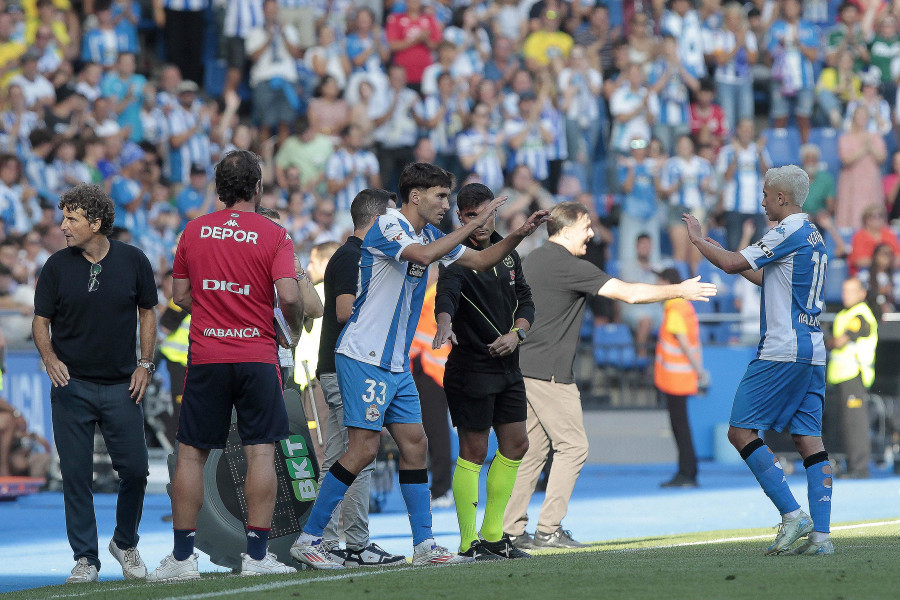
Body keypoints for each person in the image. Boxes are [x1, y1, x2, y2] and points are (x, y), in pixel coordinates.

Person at [289, 162, 549, 569]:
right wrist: (476, 221)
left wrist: (518, 234)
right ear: (415, 196)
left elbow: (480, 261)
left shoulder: (428, 232)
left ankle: (425, 544)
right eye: (441, 196)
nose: (447, 204)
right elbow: (426, 256)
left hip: (395, 363)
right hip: (364, 357)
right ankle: (310, 538)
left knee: (416, 445)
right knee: (362, 449)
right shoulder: (390, 226)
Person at [504, 202, 717, 550]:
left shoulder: (533, 260)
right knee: (573, 447)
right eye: (587, 226)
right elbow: (630, 293)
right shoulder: (567, 265)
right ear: (568, 228)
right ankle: (548, 530)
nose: (591, 232)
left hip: (524, 369)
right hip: (550, 374)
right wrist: (680, 290)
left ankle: (511, 530)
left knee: (534, 452)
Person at [147, 150, 306, 581]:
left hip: (208, 357)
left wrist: (218, 302)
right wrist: (290, 328)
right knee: (260, 452)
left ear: (218, 190)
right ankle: (256, 557)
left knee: (192, 456)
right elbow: (290, 297)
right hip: (256, 356)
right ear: (257, 188)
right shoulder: (275, 233)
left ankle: (182, 560)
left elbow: (179, 296)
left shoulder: (193, 231)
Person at [682, 164, 834, 556]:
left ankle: (792, 514)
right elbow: (768, 278)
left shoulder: (787, 230)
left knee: (740, 432)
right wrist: (724, 253)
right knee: (807, 439)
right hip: (813, 350)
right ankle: (821, 537)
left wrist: (699, 242)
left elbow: (734, 263)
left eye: (766, 194)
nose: (762, 199)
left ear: (783, 198)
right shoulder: (814, 235)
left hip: (782, 348)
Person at [32, 183, 158, 583]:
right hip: (73, 386)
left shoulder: (134, 260)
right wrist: (49, 358)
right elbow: (40, 321)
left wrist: (146, 364)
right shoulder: (55, 265)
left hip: (124, 385)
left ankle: (125, 542)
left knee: (136, 471)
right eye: (64, 216)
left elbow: (148, 314)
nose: (63, 225)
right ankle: (86, 558)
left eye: (71, 218)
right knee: (75, 474)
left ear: (96, 222)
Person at [432, 183, 535, 561]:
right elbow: (447, 294)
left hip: (508, 365)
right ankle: (467, 542)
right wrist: (443, 322)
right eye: (471, 216)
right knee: (474, 451)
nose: (479, 223)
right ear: (460, 217)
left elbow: (525, 298)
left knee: (517, 444)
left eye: (485, 214)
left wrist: (518, 333)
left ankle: (494, 537)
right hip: (470, 368)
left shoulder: (507, 253)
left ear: (495, 213)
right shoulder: (454, 255)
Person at [312, 188, 406, 568]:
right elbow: (344, 310)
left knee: (340, 457)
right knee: (357, 456)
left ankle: (330, 540)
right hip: (346, 368)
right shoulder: (354, 256)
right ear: (378, 219)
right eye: (392, 217)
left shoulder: (355, 254)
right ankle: (350, 542)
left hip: (340, 367)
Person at [654, 267, 708, 488]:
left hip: (675, 379)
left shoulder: (673, 308)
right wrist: (699, 369)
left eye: (659, 282)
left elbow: (684, 342)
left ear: (668, 283)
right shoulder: (685, 307)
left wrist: (700, 371)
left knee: (680, 428)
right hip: (682, 377)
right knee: (682, 426)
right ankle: (689, 470)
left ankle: (686, 472)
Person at [826, 278, 877, 479]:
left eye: (851, 291)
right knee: (846, 424)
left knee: (856, 424)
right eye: (844, 290)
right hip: (842, 375)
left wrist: (829, 341)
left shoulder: (860, 315)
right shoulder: (846, 314)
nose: (845, 294)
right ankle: (852, 465)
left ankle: (860, 468)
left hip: (854, 374)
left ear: (862, 293)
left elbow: (840, 341)